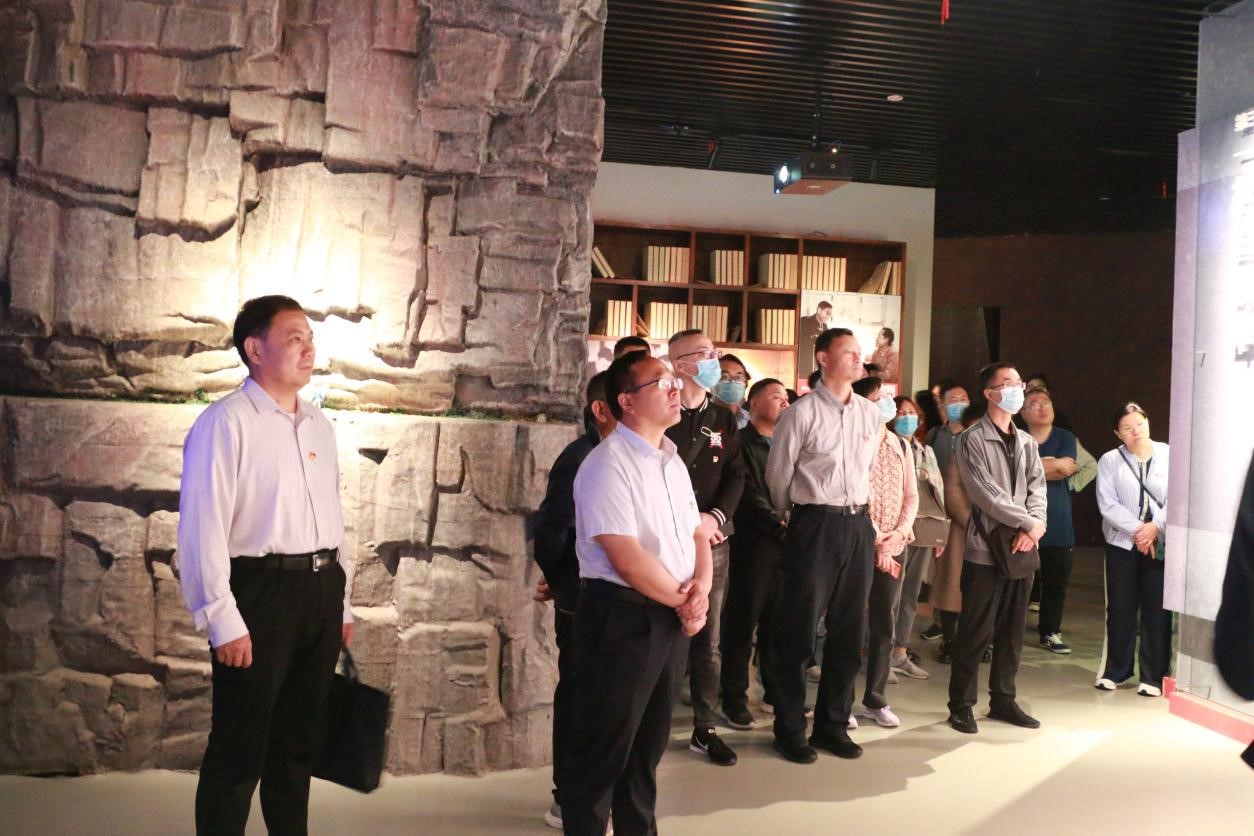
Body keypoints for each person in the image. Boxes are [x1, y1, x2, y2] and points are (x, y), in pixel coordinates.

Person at [178, 295, 353, 835]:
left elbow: (332, 516)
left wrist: (342, 605)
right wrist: (220, 616)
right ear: (255, 349)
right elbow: (203, 526)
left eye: (310, 339)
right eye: (294, 338)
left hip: (320, 591)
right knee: (240, 746)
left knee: (297, 746)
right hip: (259, 593)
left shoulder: (318, 423)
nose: (308, 349)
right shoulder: (225, 422)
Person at [562, 351, 711, 835]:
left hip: (670, 616)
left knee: (647, 749)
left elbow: (696, 533)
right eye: (660, 382)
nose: (675, 388)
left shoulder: (672, 460)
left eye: (673, 380)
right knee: (603, 752)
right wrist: (687, 602)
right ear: (626, 401)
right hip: (623, 617)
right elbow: (625, 556)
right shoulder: (606, 465)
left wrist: (701, 590)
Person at [765, 327, 881, 763]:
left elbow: (869, 468)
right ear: (823, 358)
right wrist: (794, 518)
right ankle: (790, 728)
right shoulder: (801, 413)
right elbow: (779, 475)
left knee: (849, 632)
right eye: (848, 351)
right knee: (798, 631)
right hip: (815, 523)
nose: (857, 358)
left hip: (858, 523)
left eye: (859, 352)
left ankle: (833, 724)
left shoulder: (871, 414)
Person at [530, 372, 614, 831]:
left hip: (614, 600)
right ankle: (567, 797)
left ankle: (597, 795)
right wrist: (563, 580)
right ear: (602, 409)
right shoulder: (581, 457)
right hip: (582, 600)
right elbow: (551, 530)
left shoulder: (634, 457)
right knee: (580, 699)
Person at [947, 362, 1046, 734]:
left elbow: (1038, 488)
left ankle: (1003, 700)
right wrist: (1027, 523)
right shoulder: (971, 439)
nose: (1017, 389)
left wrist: (1036, 526)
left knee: (1013, 631)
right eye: (1008, 383)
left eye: (1019, 382)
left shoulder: (1026, 442)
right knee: (975, 631)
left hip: (1023, 546)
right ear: (989, 393)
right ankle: (961, 705)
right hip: (986, 548)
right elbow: (986, 494)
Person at [665, 329, 745, 766]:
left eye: (715, 352)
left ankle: (705, 725)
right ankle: (652, 722)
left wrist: (715, 518)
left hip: (712, 542)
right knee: (663, 634)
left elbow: (735, 474)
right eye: (706, 353)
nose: (715, 360)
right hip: (664, 542)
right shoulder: (662, 410)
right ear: (680, 364)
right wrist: (682, 522)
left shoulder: (723, 418)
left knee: (708, 638)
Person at [719, 378, 790, 730]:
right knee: (742, 625)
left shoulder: (788, 443)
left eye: (787, 398)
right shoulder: (741, 442)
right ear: (755, 402)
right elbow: (745, 490)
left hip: (788, 546)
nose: (784, 403)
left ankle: (774, 693)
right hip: (754, 545)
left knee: (779, 625)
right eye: (777, 397)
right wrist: (778, 523)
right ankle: (733, 699)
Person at [853, 377, 918, 728]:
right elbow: (854, 493)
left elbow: (911, 495)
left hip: (895, 545)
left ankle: (875, 699)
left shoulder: (900, 444)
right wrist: (877, 539)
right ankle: (840, 700)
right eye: (879, 397)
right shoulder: (855, 441)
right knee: (849, 621)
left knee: (883, 621)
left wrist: (901, 532)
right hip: (860, 543)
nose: (887, 402)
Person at [1094, 402, 1171, 697]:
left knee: (1157, 610)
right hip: (1122, 543)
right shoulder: (1109, 460)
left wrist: (1156, 527)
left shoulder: (1169, 454)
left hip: (1160, 543)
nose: (1135, 431)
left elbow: (1178, 497)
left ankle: (1153, 676)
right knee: (1120, 607)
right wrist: (1140, 530)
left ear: (1148, 422)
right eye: (1127, 428)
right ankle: (1116, 671)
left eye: (1139, 424)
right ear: (1118, 433)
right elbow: (1108, 503)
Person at [892, 395, 947, 680]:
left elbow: (938, 492)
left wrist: (940, 534)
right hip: (893, 530)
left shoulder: (926, 451)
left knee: (911, 594)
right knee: (888, 594)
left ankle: (900, 652)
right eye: (900, 412)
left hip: (923, 528)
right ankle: (878, 653)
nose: (907, 417)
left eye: (911, 413)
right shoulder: (884, 446)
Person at [1021, 388, 1078, 654]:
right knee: (1018, 582)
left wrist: (1031, 467)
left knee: (1056, 581)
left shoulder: (1065, 437)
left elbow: (1067, 468)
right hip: (1023, 522)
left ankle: (1050, 632)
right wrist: (1051, 465)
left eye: (1046, 402)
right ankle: (1008, 631)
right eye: (1034, 403)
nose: (1042, 407)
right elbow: (1013, 471)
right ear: (1023, 412)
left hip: (1058, 523)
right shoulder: (1017, 436)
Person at [921, 383, 972, 648]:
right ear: (943, 404)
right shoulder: (934, 434)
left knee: (965, 574)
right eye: (954, 399)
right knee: (943, 574)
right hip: (939, 511)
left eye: (964, 398)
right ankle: (941, 625)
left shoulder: (975, 432)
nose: (960, 403)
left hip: (968, 512)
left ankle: (964, 631)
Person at [712, 353, 751, 430]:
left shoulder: (751, 421)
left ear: (745, 383)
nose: (733, 382)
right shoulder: (701, 417)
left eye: (738, 377)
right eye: (724, 376)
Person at [795, 300, 832, 382]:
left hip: (817, 362)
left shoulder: (825, 327)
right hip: (804, 360)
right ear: (819, 310)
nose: (828, 316)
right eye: (827, 313)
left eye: (830, 314)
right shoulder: (804, 321)